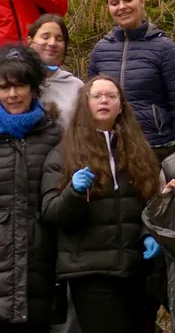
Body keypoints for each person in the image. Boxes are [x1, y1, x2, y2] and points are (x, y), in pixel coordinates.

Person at [41, 75, 162, 333]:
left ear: (121, 106)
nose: (104, 101)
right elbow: (51, 212)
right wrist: (73, 193)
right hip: (90, 272)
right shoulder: (63, 153)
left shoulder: (139, 150)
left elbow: (153, 202)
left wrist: (149, 233)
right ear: (85, 104)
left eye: (111, 96)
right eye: (96, 96)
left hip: (136, 268)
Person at [0, 46, 62, 332]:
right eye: (4, 88)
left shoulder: (54, 134)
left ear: (34, 88)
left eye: (20, 86)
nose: (13, 94)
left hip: (41, 261)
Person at [88, 0, 175, 146]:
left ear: (141, 1)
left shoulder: (164, 47)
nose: (122, 7)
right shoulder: (100, 50)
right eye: (114, 3)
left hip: (155, 145)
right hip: (110, 145)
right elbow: (89, 102)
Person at [27, 14, 83, 129]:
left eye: (59, 39)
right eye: (45, 37)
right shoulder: (15, 81)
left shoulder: (76, 86)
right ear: (30, 41)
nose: (52, 43)